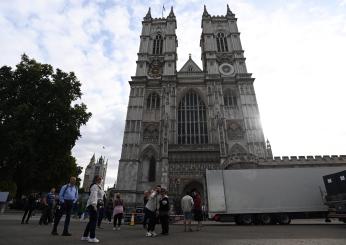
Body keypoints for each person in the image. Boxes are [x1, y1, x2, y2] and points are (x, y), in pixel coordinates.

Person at [81, 175, 104, 243]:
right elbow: (94, 195)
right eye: (99, 179)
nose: (100, 180)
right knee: (94, 221)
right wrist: (94, 205)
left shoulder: (99, 186)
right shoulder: (94, 186)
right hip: (93, 205)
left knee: (91, 221)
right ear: (95, 179)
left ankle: (85, 236)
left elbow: (101, 196)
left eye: (101, 179)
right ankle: (92, 237)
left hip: (97, 205)